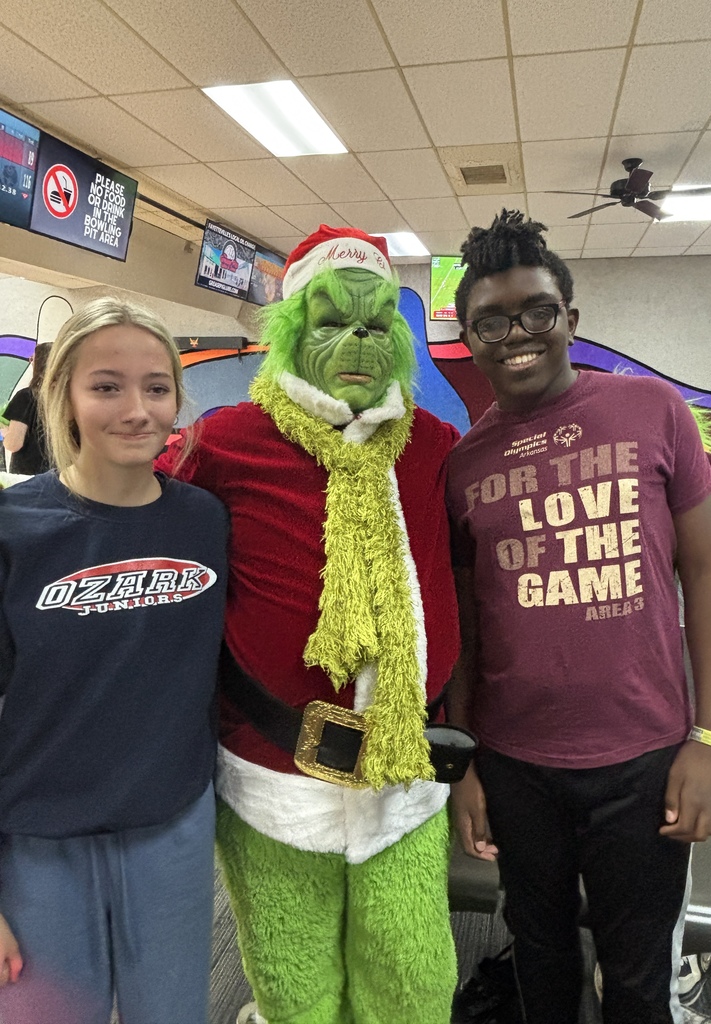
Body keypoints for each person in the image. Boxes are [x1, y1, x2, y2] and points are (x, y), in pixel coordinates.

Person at [157, 225, 463, 1024]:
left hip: (404, 774)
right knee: (296, 985)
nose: (352, 345)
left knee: (412, 978)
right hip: (271, 770)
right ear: (290, 334)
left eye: (371, 326)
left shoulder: (431, 446)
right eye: (328, 324)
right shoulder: (224, 443)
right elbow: (136, 520)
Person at [446, 210, 711, 1024]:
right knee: (539, 959)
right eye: (491, 322)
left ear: (570, 320)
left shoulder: (653, 411)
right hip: (514, 765)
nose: (518, 334)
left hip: (644, 758)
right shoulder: (464, 464)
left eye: (537, 311)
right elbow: (468, 630)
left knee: (639, 973)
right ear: (469, 337)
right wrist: (465, 763)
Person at [0, 298, 228, 1024]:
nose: (137, 410)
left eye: (156, 387)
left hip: (171, 828)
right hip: (36, 842)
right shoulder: (14, 528)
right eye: (106, 386)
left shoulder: (203, 519)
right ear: (63, 394)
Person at [1, 342, 53, 474]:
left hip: (28, 477)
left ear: (40, 363)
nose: (31, 363)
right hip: (59, 477)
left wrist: (5, 431)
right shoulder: (68, 398)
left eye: (32, 359)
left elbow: (14, 444)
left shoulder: (27, 396)